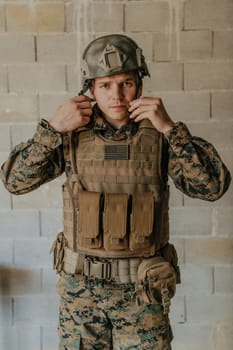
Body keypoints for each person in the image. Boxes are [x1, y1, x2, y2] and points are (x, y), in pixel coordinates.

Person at [0, 34, 231, 350]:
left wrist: (171, 130)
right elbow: (15, 182)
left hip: (142, 292)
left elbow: (213, 187)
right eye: (105, 85)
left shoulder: (161, 134)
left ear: (140, 84)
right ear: (90, 89)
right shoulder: (70, 134)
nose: (117, 95)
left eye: (126, 83)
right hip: (81, 294)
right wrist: (52, 129)